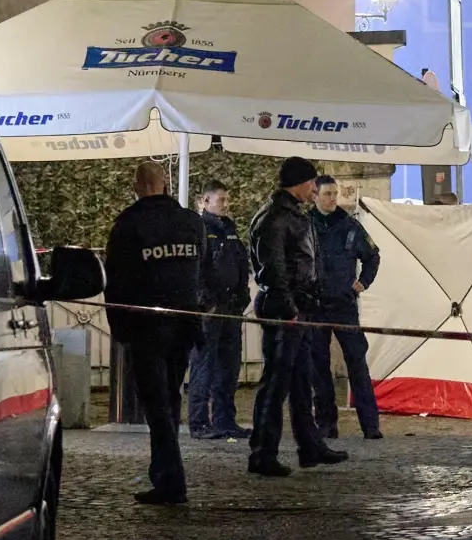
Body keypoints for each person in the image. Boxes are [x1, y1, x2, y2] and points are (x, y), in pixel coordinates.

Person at [104, 162, 205, 505]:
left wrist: (119, 330)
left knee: (156, 405)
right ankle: (165, 474)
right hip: (184, 324)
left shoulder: (128, 225)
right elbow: (199, 274)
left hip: (146, 327)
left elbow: (115, 282)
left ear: (137, 186)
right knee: (171, 398)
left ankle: (170, 480)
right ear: (164, 185)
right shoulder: (192, 222)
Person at [247, 157, 349, 476]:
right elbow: (273, 270)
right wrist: (290, 310)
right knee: (276, 384)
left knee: (301, 381)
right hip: (286, 312)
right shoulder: (276, 218)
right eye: (311, 183)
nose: (314, 189)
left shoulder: (288, 214)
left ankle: (310, 446)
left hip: (297, 309)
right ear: (300, 183)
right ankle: (263, 453)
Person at [308, 177, 383, 440]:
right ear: (314, 195)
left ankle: (370, 425)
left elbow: (373, 256)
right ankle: (326, 425)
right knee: (319, 367)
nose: (332, 198)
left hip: (344, 305)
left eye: (334, 194)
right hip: (315, 306)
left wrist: (362, 283)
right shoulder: (306, 226)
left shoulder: (350, 226)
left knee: (357, 364)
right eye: (327, 194)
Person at [187, 179, 251, 440]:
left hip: (231, 309)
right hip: (210, 311)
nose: (226, 204)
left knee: (229, 366)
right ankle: (199, 422)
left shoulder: (229, 228)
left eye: (227, 199)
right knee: (203, 366)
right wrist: (206, 301)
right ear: (205, 201)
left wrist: (242, 297)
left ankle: (225, 420)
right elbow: (196, 269)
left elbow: (241, 264)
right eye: (220, 200)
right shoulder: (199, 229)